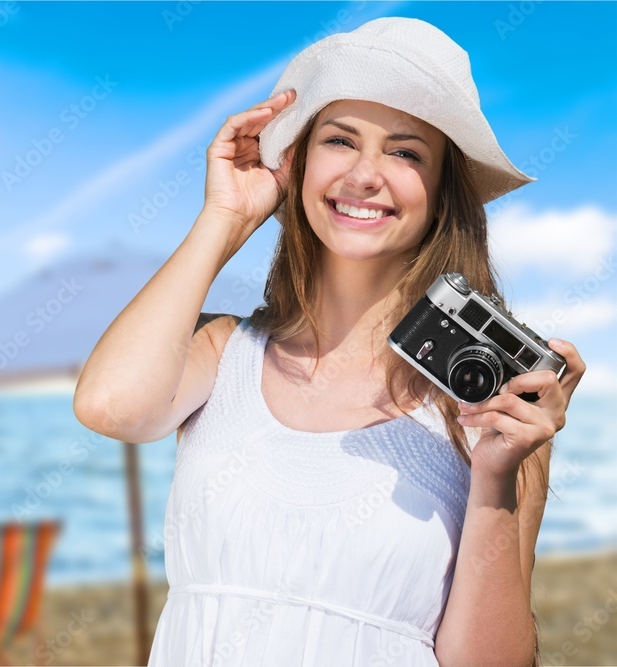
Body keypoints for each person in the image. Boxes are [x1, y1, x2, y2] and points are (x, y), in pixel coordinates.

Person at [73, 16, 585, 667]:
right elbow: (109, 406)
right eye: (341, 140)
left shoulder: (502, 416)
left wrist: (495, 474)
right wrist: (225, 218)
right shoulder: (224, 351)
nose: (366, 174)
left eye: (405, 152)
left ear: (438, 192)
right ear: (300, 162)